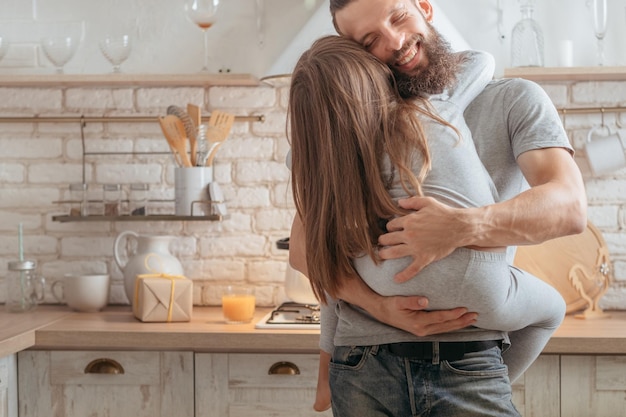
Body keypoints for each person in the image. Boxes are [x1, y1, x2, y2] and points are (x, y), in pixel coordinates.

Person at [288, 34, 567, 416]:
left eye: (395, 18)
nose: (391, 43)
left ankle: (323, 379)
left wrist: (378, 305)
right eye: (367, 40)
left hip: (367, 333)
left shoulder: (332, 146)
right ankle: (495, 378)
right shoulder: (431, 108)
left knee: (335, 260)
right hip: (474, 312)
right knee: (553, 310)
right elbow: (481, 59)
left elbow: (308, 253)